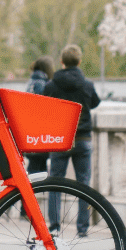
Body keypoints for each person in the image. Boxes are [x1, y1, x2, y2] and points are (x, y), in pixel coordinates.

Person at [39, 44, 101, 236]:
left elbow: (43, 106)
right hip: (82, 138)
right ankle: (82, 229)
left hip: (59, 139)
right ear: (79, 61)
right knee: (83, 184)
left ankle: (55, 227)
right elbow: (95, 102)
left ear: (62, 62)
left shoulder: (51, 86)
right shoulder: (87, 85)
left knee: (55, 183)